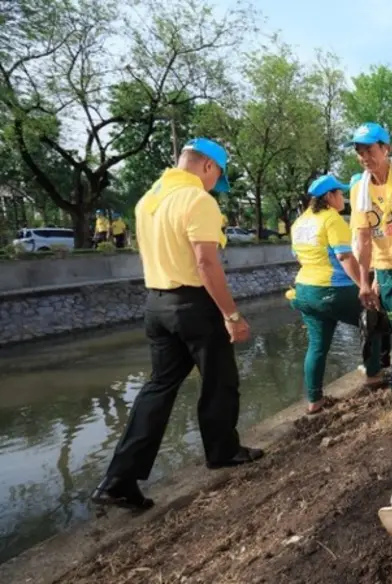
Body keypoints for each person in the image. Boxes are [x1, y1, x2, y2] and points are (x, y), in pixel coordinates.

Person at [91, 138, 262, 511]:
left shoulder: (147, 200)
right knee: (220, 379)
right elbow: (206, 263)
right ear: (207, 167)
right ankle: (223, 451)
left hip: (156, 303)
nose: (216, 184)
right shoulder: (198, 200)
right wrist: (232, 315)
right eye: (218, 176)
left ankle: (118, 479)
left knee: (158, 388)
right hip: (194, 305)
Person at [289, 174, 384, 414]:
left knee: (317, 345)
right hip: (332, 289)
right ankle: (373, 375)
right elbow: (344, 256)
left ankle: (314, 400)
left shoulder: (298, 223)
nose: (343, 197)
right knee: (373, 319)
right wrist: (363, 285)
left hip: (304, 290)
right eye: (340, 193)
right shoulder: (332, 219)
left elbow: (299, 257)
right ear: (329, 197)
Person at [349, 123, 392, 398]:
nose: (365, 156)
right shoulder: (359, 190)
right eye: (359, 151)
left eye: (370, 149)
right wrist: (366, 281)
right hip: (385, 268)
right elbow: (363, 239)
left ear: (386, 148)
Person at [349, 172, 392, 373]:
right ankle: (380, 362)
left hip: (377, 272)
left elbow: (372, 247)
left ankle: (379, 363)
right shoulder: (360, 219)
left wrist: (372, 280)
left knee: (376, 322)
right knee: (376, 322)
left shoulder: (376, 219)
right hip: (371, 273)